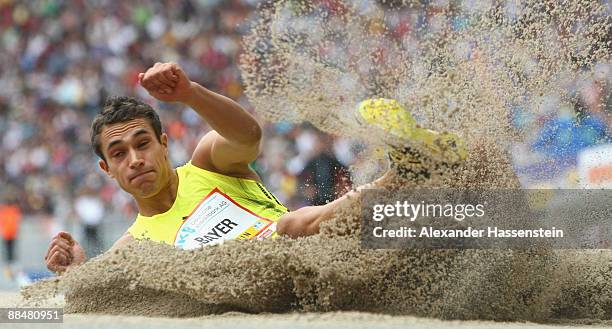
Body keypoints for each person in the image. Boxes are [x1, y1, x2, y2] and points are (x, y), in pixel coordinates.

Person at [45, 62, 466, 273]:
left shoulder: (208, 163)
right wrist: (75, 272)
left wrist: (191, 94)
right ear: (107, 169)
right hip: (282, 290)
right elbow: (98, 291)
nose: (135, 159)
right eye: (119, 154)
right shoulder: (131, 247)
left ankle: (409, 174)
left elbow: (248, 136)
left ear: (164, 144)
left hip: (322, 246)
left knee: (288, 228)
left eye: (142, 144)